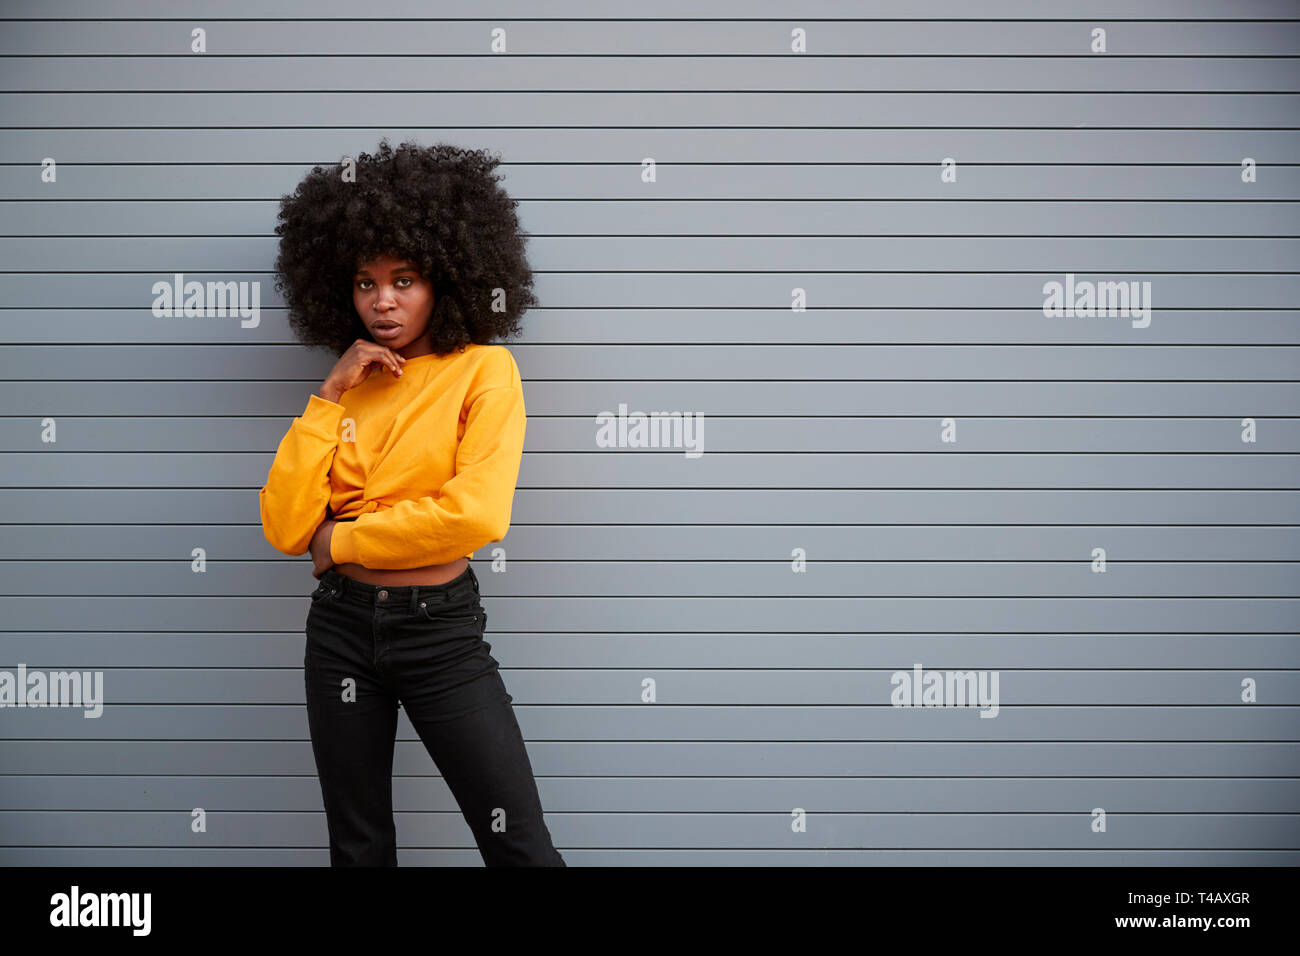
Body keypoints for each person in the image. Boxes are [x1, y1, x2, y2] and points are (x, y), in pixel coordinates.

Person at [258, 139, 565, 867]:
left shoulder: (486, 371)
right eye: (365, 283)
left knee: (517, 843)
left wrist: (343, 541)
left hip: (440, 635)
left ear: (448, 278)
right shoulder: (351, 385)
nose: (383, 300)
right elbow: (283, 525)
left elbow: (475, 516)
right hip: (339, 631)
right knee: (358, 849)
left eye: (404, 279)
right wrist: (328, 394)